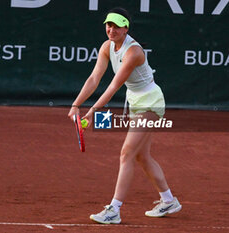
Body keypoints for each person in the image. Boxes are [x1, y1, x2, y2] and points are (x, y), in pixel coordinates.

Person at [68, 7, 181, 224]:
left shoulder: (134, 52)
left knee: (126, 154)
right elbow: (94, 79)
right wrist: (76, 104)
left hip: (150, 103)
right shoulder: (106, 47)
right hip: (136, 103)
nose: (111, 30)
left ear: (125, 29)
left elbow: (113, 86)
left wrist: (90, 112)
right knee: (141, 156)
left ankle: (114, 210)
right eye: (108, 26)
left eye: (116, 27)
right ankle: (168, 200)